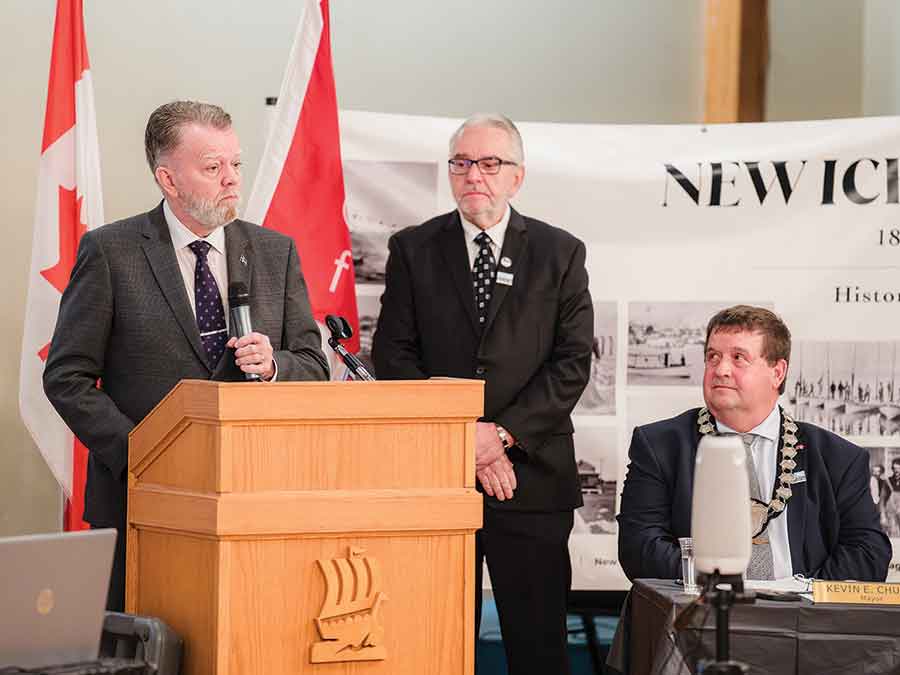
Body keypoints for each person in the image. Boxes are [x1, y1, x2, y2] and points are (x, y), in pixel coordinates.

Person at [43, 101, 329, 610]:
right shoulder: (111, 252)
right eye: (213, 167)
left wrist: (275, 367)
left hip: (254, 498)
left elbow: (312, 362)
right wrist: (145, 453)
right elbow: (67, 376)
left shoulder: (273, 252)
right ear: (169, 180)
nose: (231, 180)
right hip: (141, 499)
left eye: (236, 164)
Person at [372, 113, 593, 674]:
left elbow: (570, 363)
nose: (475, 175)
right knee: (434, 643)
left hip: (531, 477)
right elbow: (393, 357)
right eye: (462, 163)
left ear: (517, 176)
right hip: (436, 476)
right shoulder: (414, 249)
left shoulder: (559, 252)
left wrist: (499, 434)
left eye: (490, 163)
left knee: (538, 645)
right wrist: (459, 435)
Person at [618, 305, 890, 582]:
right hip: (699, 616)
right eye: (713, 357)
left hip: (802, 620)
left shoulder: (839, 458)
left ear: (777, 372)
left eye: (738, 358)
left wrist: (801, 599)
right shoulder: (659, 446)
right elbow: (639, 547)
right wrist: (722, 587)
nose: (721, 369)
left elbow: (868, 554)